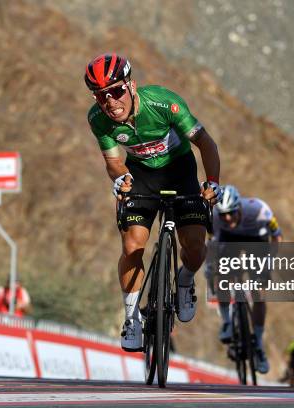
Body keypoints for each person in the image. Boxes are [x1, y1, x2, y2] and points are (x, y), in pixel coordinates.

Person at [85, 53, 221, 351]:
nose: (110, 101)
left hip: (180, 171)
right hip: (142, 176)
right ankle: (132, 317)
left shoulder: (164, 103)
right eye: (101, 96)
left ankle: (184, 281)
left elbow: (205, 142)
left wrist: (212, 182)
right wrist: (121, 179)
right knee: (133, 245)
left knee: (196, 245)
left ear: (131, 86)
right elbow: (114, 162)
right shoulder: (99, 120)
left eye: (116, 91)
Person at [205, 185, 283, 374]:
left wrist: (270, 260)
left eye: (231, 213)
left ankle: (258, 343)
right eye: (223, 215)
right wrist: (212, 269)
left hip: (257, 242)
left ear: (238, 207)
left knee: (259, 293)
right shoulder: (215, 217)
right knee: (221, 275)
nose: (228, 218)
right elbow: (211, 243)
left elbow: (277, 236)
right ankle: (226, 322)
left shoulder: (259, 210)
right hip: (229, 241)